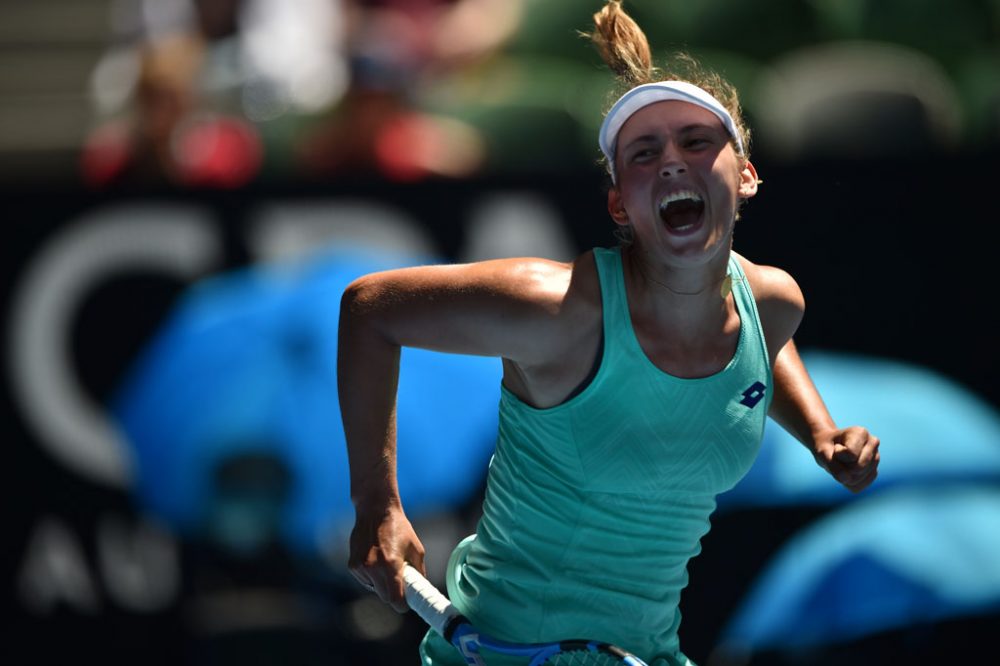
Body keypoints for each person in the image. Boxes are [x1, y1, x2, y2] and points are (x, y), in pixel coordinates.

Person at [338, 2, 880, 664]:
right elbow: (370, 309)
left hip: (650, 651)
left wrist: (821, 435)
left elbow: (761, 342)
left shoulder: (772, 301)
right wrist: (377, 502)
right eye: (644, 153)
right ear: (620, 202)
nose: (672, 162)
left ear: (745, 178)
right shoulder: (558, 312)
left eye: (696, 141)